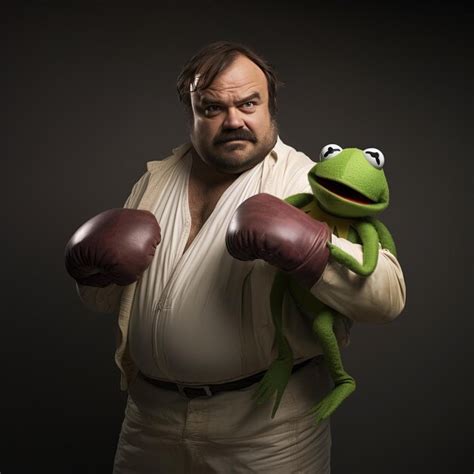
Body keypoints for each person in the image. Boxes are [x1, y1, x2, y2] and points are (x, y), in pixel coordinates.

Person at [65, 41, 406, 473]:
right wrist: (93, 275)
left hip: (265, 431)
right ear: (191, 111)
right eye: (211, 108)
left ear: (270, 106)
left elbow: (388, 297)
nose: (233, 121)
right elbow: (106, 302)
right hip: (149, 421)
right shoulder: (153, 182)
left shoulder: (309, 183)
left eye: (248, 103)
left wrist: (310, 248)